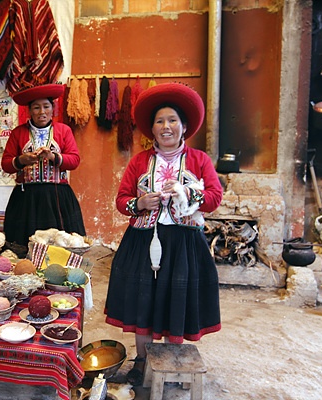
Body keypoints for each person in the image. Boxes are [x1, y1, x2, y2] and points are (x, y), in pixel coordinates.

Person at [104, 83, 223, 385]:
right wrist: (139, 203)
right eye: (159, 121)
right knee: (142, 299)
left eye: (172, 120)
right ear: (152, 129)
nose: (166, 126)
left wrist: (186, 193)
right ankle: (142, 361)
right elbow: (121, 200)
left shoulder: (199, 161)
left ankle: (171, 362)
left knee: (175, 299)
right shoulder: (139, 161)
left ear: (184, 127)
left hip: (184, 244)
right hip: (143, 241)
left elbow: (214, 197)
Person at [1, 84, 86, 251]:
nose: (42, 112)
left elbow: (74, 160)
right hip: (26, 199)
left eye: (46, 106)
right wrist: (21, 160)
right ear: (30, 110)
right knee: (23, 246)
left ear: (53, 108)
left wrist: (53, 156)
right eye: (36, 107)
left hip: (57, 197)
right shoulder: (18, 133)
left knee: (59, 245)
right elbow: (6, 164)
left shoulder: (63, 131)